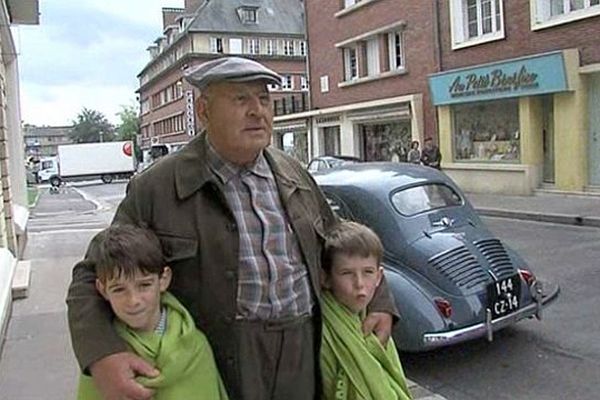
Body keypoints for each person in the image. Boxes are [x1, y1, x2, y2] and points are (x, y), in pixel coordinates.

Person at [66, 56, 397, 400]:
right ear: (204, 111)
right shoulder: (157, 187)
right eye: (241, 99)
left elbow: (345, 245)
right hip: (222, 354)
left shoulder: (293, 173)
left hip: (303, 345)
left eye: (264, 99)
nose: (257, 111)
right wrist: (102, 354)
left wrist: (381, 302)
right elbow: (92, 275)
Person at [76, 225, 229, 400]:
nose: (133, 300)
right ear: (102, 290)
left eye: (144, 285)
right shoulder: (106, 359)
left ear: (164, 279)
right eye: (119, 289)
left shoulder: (196, 348)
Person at [320, 221, 412, 400]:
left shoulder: (371, 319)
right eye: (347, 273)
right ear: (326, 279)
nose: (359, 284)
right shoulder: (322, 333)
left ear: (379, 277)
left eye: (368, 272)